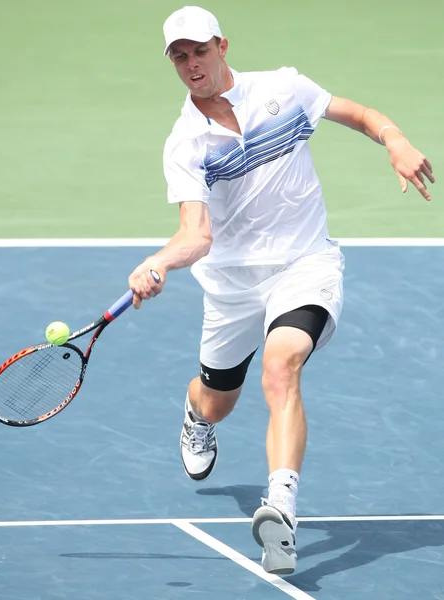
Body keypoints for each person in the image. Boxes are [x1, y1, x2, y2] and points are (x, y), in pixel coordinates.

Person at [128, 5, 434, 575]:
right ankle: (197, 414)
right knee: (218, 399)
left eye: (199, 50)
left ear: (222, 45)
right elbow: (197, 235)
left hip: (305, 263)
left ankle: (282, 512)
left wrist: (394, 140)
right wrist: (161, 261)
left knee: (282, 364)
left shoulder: (283, 89)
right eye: (179, 57)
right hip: (232, 287)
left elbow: (362, 114)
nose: (191, 64)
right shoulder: (184, 143)